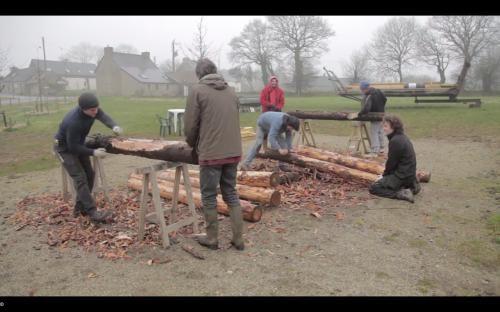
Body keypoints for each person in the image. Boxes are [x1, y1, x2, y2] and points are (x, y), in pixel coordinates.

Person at [184, 58, 245, 251]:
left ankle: (212, 238)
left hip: (212, 153)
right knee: (231, 193)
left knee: (209, 196)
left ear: (199, 74)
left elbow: (190, 124)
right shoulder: (232, 91)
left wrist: (191, 144)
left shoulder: (197, 91)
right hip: (233, 151)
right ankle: (238, 239)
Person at [53, 92, 123, 223]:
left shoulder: (93, 109)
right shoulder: (73, 122)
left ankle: (80, 208)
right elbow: (72, 147)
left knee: (90, 175)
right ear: (83, 109)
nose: (95, 112)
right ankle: (92, 212)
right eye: (92, 110)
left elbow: (102, 115)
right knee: (80, 178)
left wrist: (114, 125)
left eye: (96, 108)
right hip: (64, 149)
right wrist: (94, 152)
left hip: (78, 144)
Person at [369, 115, 421, 203]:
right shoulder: (401, 137)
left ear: (393, 127)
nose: (383, 128)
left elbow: (391, 163)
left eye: (386, 126)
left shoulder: (396, 141)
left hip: (403, 176)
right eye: (383, 126)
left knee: (374, 187)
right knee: (387, 180)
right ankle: (412, 186)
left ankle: (401, 193)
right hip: (408, 174)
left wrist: (384, 176)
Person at [348, 81, 387, 156]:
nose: (362, 91)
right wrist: (381, 107)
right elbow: (385, 99)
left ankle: (375, 151)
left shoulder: (370, 95)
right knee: (380, 132)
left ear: (365, 88)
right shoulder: (379, 91)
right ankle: (381, 149)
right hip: (382, 114)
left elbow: (366, 108)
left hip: (375, 116)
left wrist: (360, 114)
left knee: (374, 132)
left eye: (362, 90)